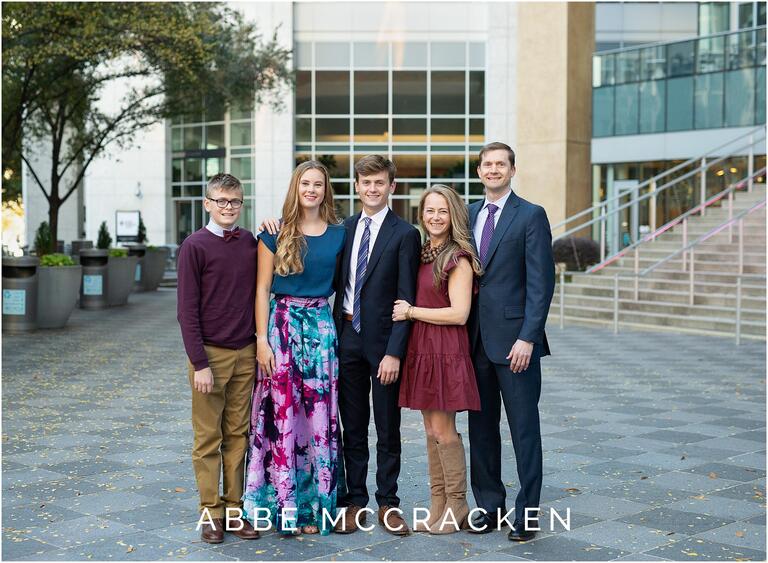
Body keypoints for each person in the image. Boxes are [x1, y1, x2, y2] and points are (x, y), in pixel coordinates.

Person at [243, 161, 346, 536]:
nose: (312, 189)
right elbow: (261, 290)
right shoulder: (273, 234)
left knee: (319, 418)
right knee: (282, 415)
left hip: (321, 329)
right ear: (296, 187)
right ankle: (283, 506)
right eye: (306, 183)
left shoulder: (339, 234)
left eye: (319, 184)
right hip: (281, 328)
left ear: (326, 190)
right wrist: (261, 340)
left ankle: (314, 507)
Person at [466, 142, 555, 541]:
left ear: (512, 170)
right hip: (474, 342)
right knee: (481, 430)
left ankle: (527, 513)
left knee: (523, 430)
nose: (493, 169)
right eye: (487, 164)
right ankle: (489, 506)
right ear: (479, 170)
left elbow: (541, 283)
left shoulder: (531, 215)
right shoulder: (467, 214)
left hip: (516, 343)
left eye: (501, 164)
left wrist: (528, 338)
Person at [332, 155, 421, 536]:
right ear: (356, 186)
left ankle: (388, 502)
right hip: (346, 335)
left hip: (384, 343)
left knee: (388, 425)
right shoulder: (344, 229)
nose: (372, 189)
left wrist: (395, 351)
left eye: (380, 183)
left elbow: (406, 298)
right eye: (366, 183)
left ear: (391, 187)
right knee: (352, 425)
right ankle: (355, 501)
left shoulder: (405, 234)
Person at [393, 185, 483, 534]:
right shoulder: (423, 251)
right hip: (422, 347)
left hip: (445, 348)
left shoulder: (457, 257)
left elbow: (460, 313)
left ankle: (457, 505)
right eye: (429, 210)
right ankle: (437, 504)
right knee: (430, 430)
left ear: (453, 215)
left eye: (442, 211)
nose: (435, 217)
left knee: (445, 431)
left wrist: (412, 311)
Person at [176, 173, 261, 543]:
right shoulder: (194, 246)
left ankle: (234, 509)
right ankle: (210, 513)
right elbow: (186, 311)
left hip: (246, 354)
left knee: (238, 434)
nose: (229, 208)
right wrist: (200, 364)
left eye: (235, 201)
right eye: (222, 201)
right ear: (207, 203)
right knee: (208, 437)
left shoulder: (249, 243)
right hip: (210, 355)